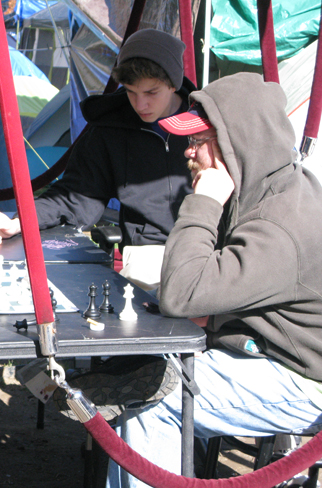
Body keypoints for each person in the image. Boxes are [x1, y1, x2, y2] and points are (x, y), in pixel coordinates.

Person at [106, 72, 322, 488]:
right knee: (139, 376)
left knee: (155, 405)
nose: (187, 152)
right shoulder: (269, 188)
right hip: (274, 352)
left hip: (303, 380)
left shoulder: (279, 226)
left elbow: (183, 294)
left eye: (199, 141)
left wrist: (204, 199)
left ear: (236, 144)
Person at [0, 28, 196, 290]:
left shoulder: (208, 122)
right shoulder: (110, 129)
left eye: (151, 93)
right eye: (130, 92)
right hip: (147, 256)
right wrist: (19, 221)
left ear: (174, 84)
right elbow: (74, 197)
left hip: (205, 248)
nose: (140, 105)